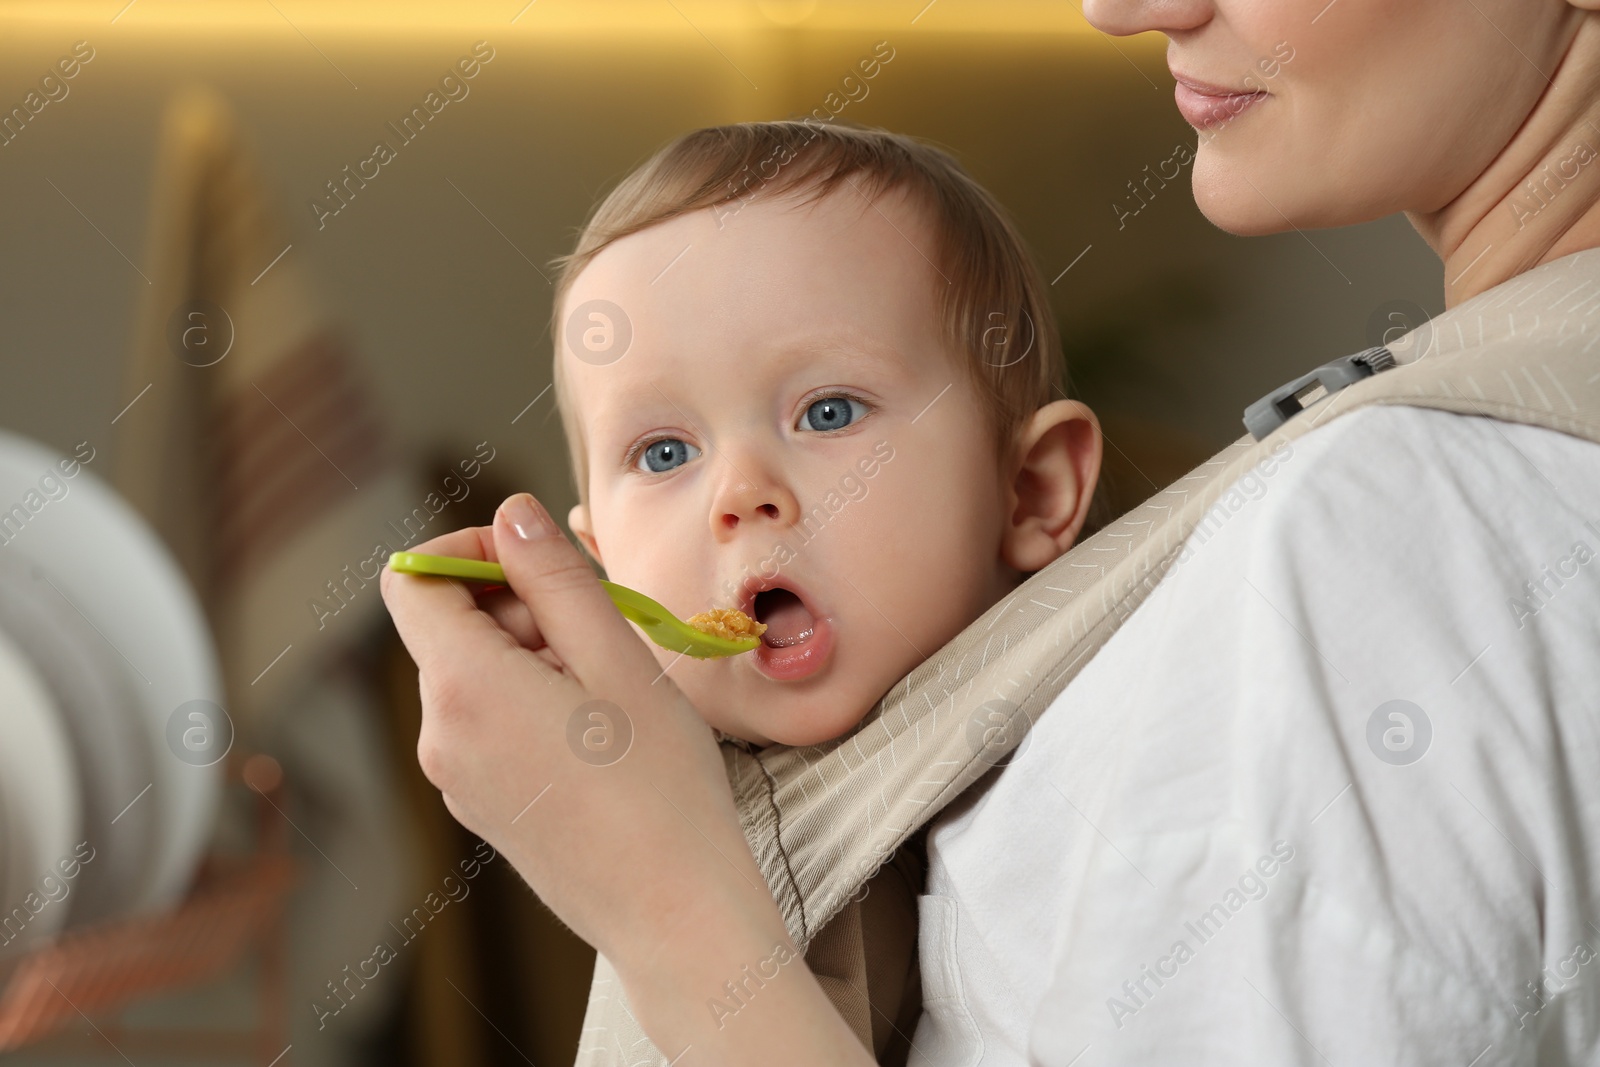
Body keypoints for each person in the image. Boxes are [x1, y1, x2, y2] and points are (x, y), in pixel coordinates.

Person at [381, 0, 1600, 1063]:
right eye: (661, 452)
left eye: (828, 410)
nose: (1120, 8)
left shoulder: (1372, 533)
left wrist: (664, 905)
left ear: (1033, 493)